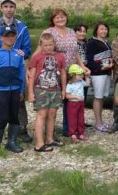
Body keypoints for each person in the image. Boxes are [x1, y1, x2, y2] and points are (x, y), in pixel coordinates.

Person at [0, 0, 32, 146]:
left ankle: (21, 130)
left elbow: (27, 48)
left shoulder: (22, 27)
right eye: (6, 6)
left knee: (20, 101)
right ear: (1, 8)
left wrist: (24, 53)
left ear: (15, 8)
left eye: (11, 6)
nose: (9, 9)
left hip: (16, 66)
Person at [35, 9, 89, 138]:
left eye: (62, 16)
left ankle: (69, 129)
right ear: (52, 20)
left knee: (70, 100)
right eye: (57, 17)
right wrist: (31, 69)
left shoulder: (71, 32)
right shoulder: (48, 32)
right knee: (53, 103)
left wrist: (83, 67)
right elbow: (39, 50)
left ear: (66, 17)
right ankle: (48, 133)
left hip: (72, 72)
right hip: (54, 72)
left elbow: (75, 52)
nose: (60, 19)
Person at [0, 26, 26, 155]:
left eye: (12, 35)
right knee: (2, 117)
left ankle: (12, 142)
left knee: (14, 117)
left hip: (15, 90)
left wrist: (21, 90)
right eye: (7, 36)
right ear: (1, 38)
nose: (10, 38)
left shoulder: (18, 54)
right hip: (0, 90)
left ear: (15, 37)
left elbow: (21, 73)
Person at [27, 33, 67, 152]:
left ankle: (50, 139)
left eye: (50, 45)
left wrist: (63, 89)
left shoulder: (60, 56)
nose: (48, 47)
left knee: (52, 115)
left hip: (55, 89)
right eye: (45, 45)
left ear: (54, 44)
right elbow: (32, 75)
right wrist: (30, 92)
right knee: (41, 115)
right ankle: (39, 143)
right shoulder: (37, 57)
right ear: (41, 45)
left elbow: (63, 73)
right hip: (41, 90)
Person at [86, 22, 114, 132]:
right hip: (98, 74)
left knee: (101, 97)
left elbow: (108, 57)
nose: (104, 31)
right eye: (101, 29)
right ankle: (98, 123)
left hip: (106, 72)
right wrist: (99, 67)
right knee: (98, 97)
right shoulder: (92, 42)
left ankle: (101, 121)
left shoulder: (106, 42)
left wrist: (111, 63)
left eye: (105, 29)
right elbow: (89, 60)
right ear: (96, 30)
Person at [66, 64, 88, 142]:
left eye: (82, 74)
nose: (81, 76)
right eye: (79, 74)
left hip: (80, 103)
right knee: (72, 118)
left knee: (81, 117)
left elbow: (87, 84)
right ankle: (73, 133)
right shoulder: (70, 85)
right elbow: (67, 96)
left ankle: (81, 133)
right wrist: (76, 97)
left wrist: (88, 76)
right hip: (73, 104)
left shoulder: (81, 82)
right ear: (73, 75)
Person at [74, 23, 89, 101]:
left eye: (84, 31)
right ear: (75, 32)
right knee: (75, 93)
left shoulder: (86, 43)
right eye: (80, 31)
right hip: (75, 72)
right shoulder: (72, 43)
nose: (82, 33)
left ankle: (81, 110)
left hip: (85, 70)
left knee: (84, 93)